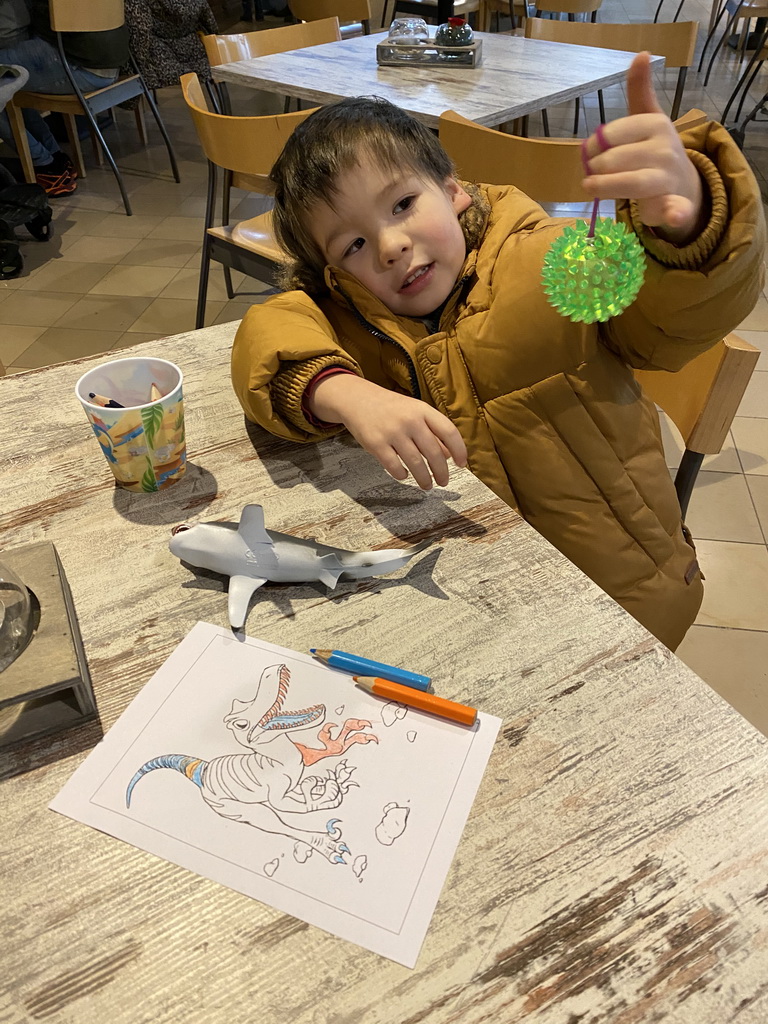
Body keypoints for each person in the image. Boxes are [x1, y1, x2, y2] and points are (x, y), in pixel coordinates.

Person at [230, 54, 765, 651]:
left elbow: (675, 317)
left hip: (624, 593)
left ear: (454, 189)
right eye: (353, 243)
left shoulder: (550, 261)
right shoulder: (355, 318)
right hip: (481, 609)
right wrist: (341, 390)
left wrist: (688, 229)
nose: (389, 245)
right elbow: (267, 332)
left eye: (402, 204)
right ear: (330, 272)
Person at [0, 0, 129, 196]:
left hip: (77, 63)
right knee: (9, 80)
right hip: (109, 60)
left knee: (6, 74)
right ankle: (53, 159)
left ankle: (45, 166)